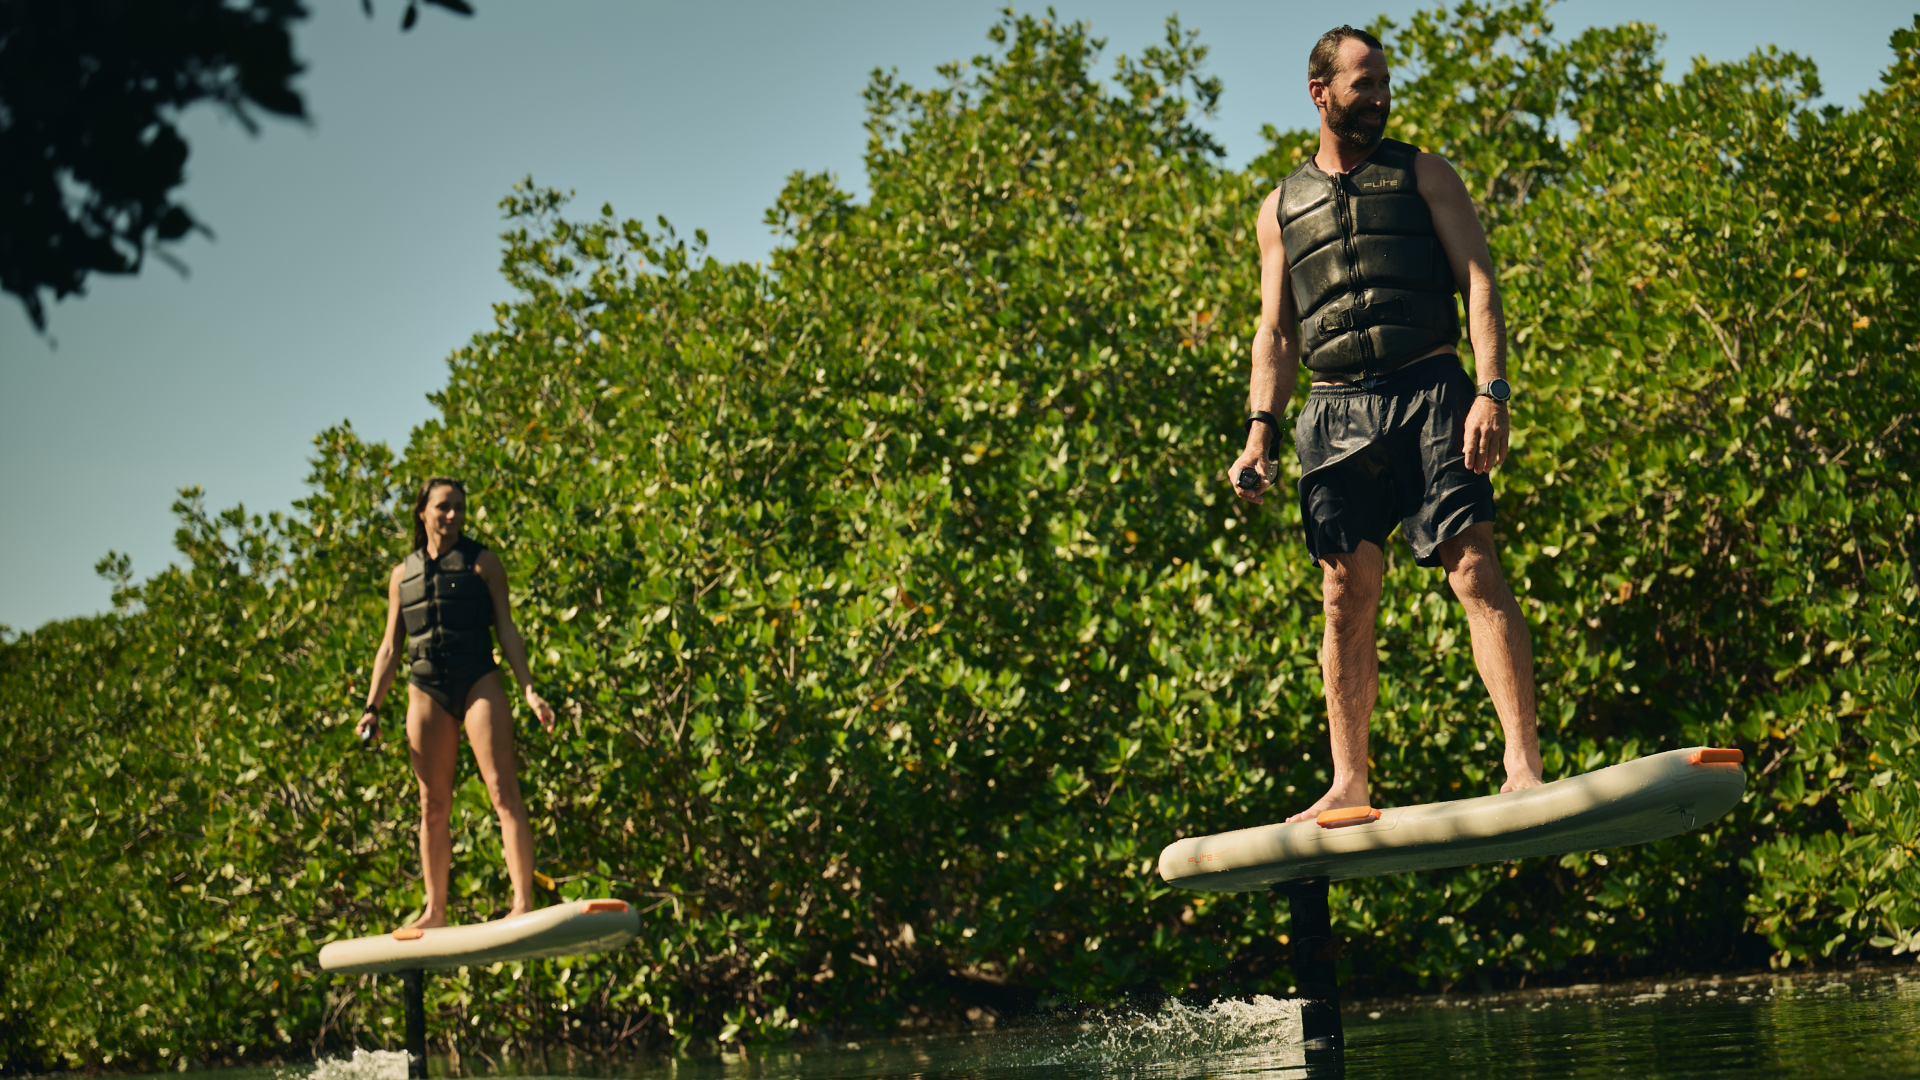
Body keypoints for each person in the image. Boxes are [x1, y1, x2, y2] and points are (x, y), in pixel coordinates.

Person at [1228, 25, 1544, 823]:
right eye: (1362, 84)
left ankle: (1522, 765)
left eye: (1383, 85)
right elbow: (1276, 330)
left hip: (1431, 390)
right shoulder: (1279, 208)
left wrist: (1491, 390)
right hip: (1332, 409)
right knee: (1344, 592)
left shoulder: (1424, 173)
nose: (1378, 99)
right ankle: (1349, 783)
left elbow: (1480, 280)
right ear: (1320, 93)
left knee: (1472, 567)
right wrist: (1259, 429)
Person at [356, 477, 556, 927]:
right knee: (432, 804)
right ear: (422, 511)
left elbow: (507, 630)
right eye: (444, 507)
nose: (453, 516)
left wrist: (528, 688)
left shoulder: (483, 564)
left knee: (503, 791)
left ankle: (522, 903)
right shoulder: (401, 575)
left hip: (478, 680)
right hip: (426, 688)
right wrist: (372, 706)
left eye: (460, 509)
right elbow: (389, 647)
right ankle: (436, 910)